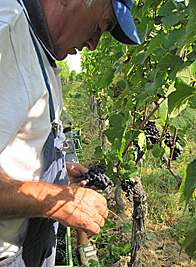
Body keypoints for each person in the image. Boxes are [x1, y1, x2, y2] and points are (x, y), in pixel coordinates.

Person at [0, 0, 140, 266]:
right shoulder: (6, 34)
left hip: (29, 246)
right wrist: (61, 202)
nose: (94, 44)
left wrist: (53, 175)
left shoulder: (37, 46)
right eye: (101, 25)